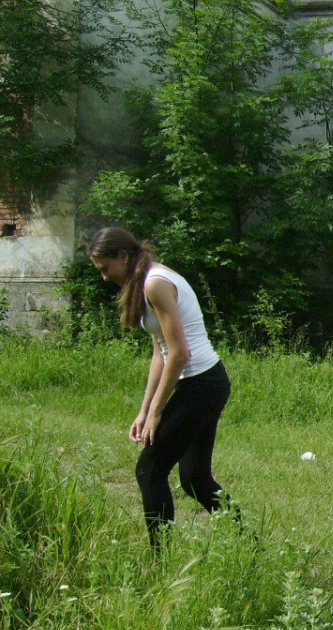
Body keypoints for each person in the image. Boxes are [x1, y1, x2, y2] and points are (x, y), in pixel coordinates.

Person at [89, 227, 236, 550]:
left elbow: (181, 353)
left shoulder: (155, 283)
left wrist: (158, 413)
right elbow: (161, 352)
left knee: (149, 469)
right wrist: (145, 411)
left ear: (123, 257)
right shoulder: (145, 283)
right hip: (203, 384)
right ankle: (248, 545)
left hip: (202, 384)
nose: (104, 277)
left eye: (105, 268)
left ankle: (161, 562)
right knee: (195, 479)